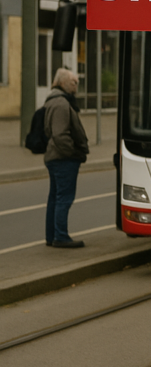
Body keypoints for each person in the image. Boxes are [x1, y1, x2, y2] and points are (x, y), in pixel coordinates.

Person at [43, 68, 90, 248]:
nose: (76, 86)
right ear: (62, 83)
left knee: (55, 197)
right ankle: (60, 236)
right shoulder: (61, 103)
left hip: (54, 156)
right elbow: (60, 134)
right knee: (64, 198)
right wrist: (73, 153)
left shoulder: (53, 100)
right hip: (63, 159)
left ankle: (52, 236)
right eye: (73, 82)